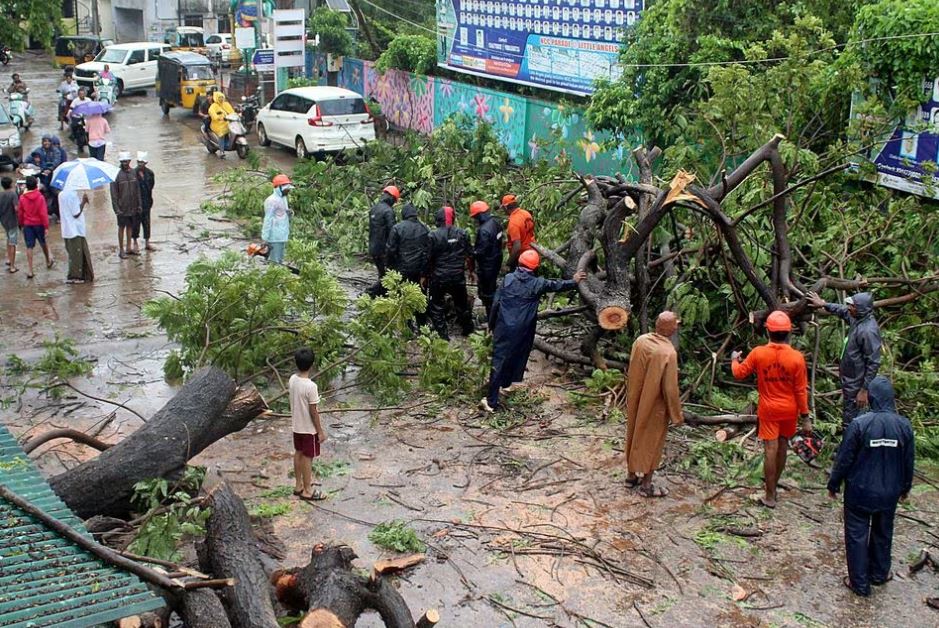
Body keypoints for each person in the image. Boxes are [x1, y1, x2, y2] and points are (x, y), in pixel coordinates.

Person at [828, 376, 914, 597]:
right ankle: (878, 574)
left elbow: (844, 458)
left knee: (856, 534)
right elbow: (908, 461)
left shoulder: (860, 424)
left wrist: (834, 484)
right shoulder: (904, 426)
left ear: (872, 397)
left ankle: (859, 583)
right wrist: (905, 487)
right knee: (883, 531)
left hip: (860, 492)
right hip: (889, 493)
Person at [482, 250, 586, 412]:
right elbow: (557, 285)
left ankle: (491, 401)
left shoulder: (508, 279)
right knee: (517, 355)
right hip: (523, 330)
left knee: (499, 360)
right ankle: (506, 385)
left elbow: (496, 303)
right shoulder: (538, 283)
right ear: (535, 267)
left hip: (503, 328)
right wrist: (574, 281)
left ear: (519, 263)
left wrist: (491, 324)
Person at [731, 311, 810, 508]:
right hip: (789, 410)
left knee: (769, 450)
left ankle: (769, 494)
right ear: (789, 332)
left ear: (768, 331)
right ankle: (773, 486)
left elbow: (739, 373)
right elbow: (801, 390)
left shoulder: (759, 353)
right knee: (783, 446)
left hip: (768, 409)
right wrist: (806, 416)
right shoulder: (797, 358)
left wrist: (734, 359)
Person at [624, 312, 684, 498]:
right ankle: (647, 484)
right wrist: (676, 414)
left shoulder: (641, 341)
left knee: (634, 433)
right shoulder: (668, 353)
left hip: (635, 398)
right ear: (672, 328)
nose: (677, 327)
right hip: (655, 405)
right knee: (653, 440)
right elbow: (670, 388)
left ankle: (631, 475)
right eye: (676, 325)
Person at [806, 291, 882, 427]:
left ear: (860, 309)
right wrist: (823, 304)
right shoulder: (858, 319)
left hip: (857, 385)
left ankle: (851, 444)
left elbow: (873, 362)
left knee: (854, 420)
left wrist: (864, 390)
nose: (849, 307)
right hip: (850, 381)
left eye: (852, 306)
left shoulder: (868, 331)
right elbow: (841, 310)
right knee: (849, 415)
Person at [424, 205, 474, 339]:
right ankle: (468, 331)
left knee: (435, 306)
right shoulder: (462, 233)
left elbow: (427, 259)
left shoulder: (433, 235)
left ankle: (443, 336)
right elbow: (470, 255)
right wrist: (471, 271)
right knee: (462, 305)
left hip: (439, 277)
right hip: (457, 276)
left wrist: (424, 276)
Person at [289, 347, 327, 501]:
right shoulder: (311, 387)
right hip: (308, 429)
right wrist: (320, 431)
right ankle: (308, 490)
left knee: (298, 452)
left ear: (296, 363)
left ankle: (298, 485)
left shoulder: (292, 379)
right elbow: (314, 411)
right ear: (312, 365)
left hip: (296, 426)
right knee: (308, 457)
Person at [470, 200, 504, 319]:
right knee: (492, 289)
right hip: (496, 262)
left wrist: (471, 253)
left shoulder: (484, 230)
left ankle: (492, 320)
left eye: (475, 217)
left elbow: (480, 252)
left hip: (487, 266)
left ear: (480, 215)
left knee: (487, 294)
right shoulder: (496, 223)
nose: (475, 220)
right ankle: (494, 317)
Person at [16, 176, 54, 278]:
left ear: (27, 186)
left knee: (29, 247)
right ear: (36, 185)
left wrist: (21, 224)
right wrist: (46, 227)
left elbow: (20, 213)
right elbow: (43, 213)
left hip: (28, 225)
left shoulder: (22, 198)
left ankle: (30, 270)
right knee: (43, 243)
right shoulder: (40, 197)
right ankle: (47, 260)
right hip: (39, 224)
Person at [110, 152, 141, 258]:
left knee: (130, 227)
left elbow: (137, 190)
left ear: (129, 161)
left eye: (126, 161)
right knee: (121, 228)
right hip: (122, 207)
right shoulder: (116, 174)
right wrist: (116, 209)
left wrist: (139, 204)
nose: (125, 163)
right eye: (123, 161)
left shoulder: (133, 173)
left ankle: (128, 247)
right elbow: (113, 194)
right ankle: (121, 250)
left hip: (132, 206)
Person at [59, 189, 94, 283]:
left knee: (72, 254)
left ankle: (75, 275)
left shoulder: (61, 194)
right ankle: (76, 277)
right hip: (75, 230)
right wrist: (83, 202)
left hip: (67, 229)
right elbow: (76, 213)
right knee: (77, 255)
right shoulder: (72, 195)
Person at [368, 185, 399, 279]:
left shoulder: (374, 209)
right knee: (387, 276)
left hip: (373, 247)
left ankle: (378, 291)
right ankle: (371, 292)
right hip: (384, 249)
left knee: (382, 274)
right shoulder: (388, 211)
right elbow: (393, 231)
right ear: (392, 198)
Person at [262, 174, 293, 263]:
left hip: (282, 235)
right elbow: (268, 219)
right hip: (274, 236)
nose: (288, 191)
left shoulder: (283, 199)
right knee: (275, 262)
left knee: (280, 260)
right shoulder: (272, 201)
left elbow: (284, 215)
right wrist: (265, 238)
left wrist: (289, 214)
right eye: (286, 189)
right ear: (278, 188)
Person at [502, 193, 535, 270]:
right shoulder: (526, 213)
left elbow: (517, 246)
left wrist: (508, 263)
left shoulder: (513, 222)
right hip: (532, 254)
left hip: (521, 258)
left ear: (506, 207)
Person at [134, 152, 156, 252]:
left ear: (145, 163)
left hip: (147, 201)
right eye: (138, 162)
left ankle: (147, 242)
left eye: (141, 162)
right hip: (136, 203)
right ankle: (135, 243)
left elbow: (151, 186)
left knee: (146, 222)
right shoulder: (133, 173)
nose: (140, 164)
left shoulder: (150, 173)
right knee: (135, 222)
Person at [208, 91, 235, 156]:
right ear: (216, 98)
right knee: (221, 134)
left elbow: (232, 112)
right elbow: (212, 114)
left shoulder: (226, 104)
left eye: (222, 97)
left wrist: (235, 115)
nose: (221, 99)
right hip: (217, 124)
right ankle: (221, 151)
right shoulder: (213, 106)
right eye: (219, 97)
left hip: (227, 122)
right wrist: (218, 118)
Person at [0, 177, 18, 273]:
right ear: (11, 184)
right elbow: (16, 208)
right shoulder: (13, 194)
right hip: (12, 221)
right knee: (13, 243)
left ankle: (9, 258)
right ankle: (12, 266)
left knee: (8, 239)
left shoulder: (1, 194)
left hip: (4, 221)